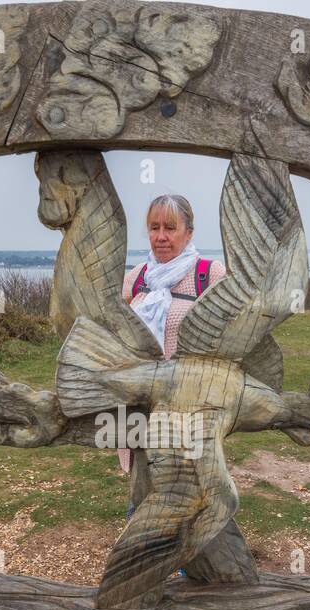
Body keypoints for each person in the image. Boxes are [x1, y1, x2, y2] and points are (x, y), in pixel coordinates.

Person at [118, 194, 227, 485]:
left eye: (170, 227)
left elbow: (230, 337)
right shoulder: (137, 277)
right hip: (141, 405)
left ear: (188, 232)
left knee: (191, 489)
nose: (161, 237)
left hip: (190, 407)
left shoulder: (209, 274)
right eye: (155, 228)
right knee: (144, 489)